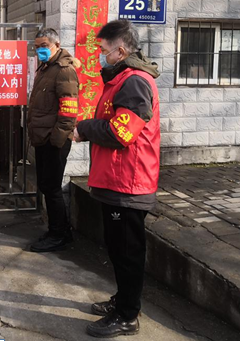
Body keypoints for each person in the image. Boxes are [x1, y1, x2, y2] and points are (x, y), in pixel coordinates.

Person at [73, 20, 160, 338]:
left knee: (127, 253)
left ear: (120, 51)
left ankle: (127, 315)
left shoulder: (134, 82)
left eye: (103, 50)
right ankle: (123, 300)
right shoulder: (122, 78)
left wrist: (84, 128)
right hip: (116, 180)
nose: (100, 55)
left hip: (129, 184)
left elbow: (122, 132)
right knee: (118, 249)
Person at [27, 28, 79, 253]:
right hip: (43, 137)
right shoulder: (46, 67)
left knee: (52, 187)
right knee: (46, 185)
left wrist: (56, 140)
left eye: (44, 46)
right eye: (37, 46)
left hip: (53, 140)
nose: (40, 50)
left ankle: (59, 234)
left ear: (56, 45)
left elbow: (69, 111)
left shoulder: (64, 70)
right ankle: (58, 230)